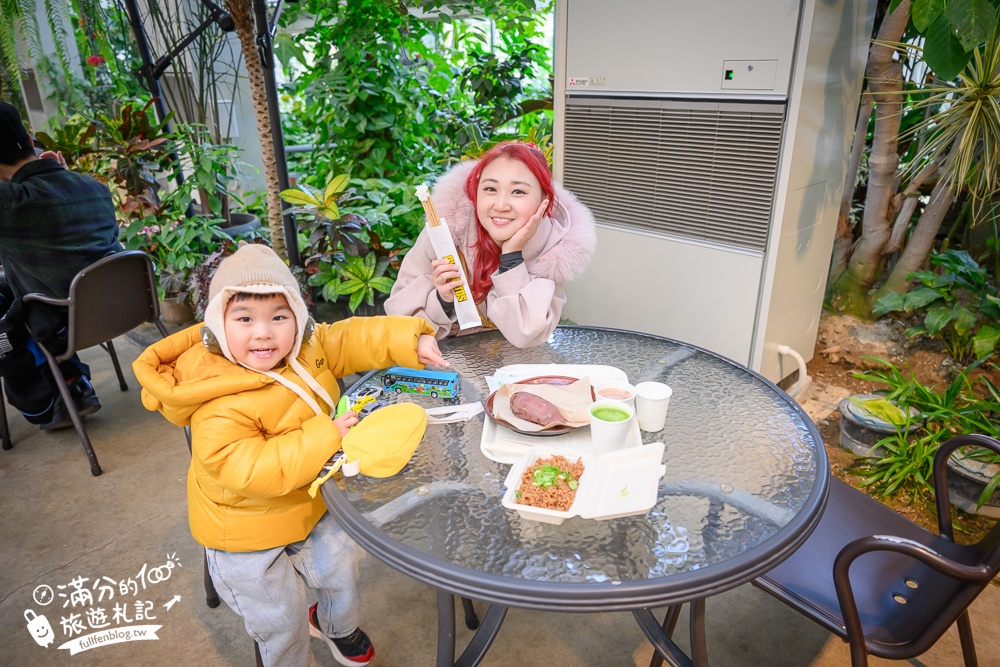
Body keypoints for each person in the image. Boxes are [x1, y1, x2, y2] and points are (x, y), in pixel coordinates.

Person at [132, 242, 446, 667]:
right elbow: (248, 469)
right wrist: (326, 435)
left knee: (345, 562)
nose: (264, 333)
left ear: (297, 318)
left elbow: (350, 337)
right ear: (219, 325)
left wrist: (411, 340)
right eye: (245, 319)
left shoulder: (303, 348)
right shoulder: (216, 398)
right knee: (279, 618)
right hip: (246, 532)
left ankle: (337, 625)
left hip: (311, 498)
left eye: (278, 317)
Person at [385, 141, 596, 348]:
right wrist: (443, 299)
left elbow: (528, 335)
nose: (501, 205)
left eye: (518, 192)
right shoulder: (448, 230)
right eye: (490, 189)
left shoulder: (553, 249)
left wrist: (511, 257)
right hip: (445, 362)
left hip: (516, 368)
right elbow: (400, 321)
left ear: (544, 200)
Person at [0, 100, 120, 430]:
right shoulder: (94, 188)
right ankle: (74, 384)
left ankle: (45, 402)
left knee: (7, 307)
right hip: (118, 307)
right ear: (28, 136)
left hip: (61, 322)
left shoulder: (13, 203)